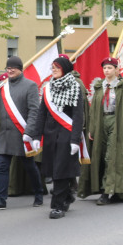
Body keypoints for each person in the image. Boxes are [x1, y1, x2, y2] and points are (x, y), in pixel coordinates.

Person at [0, 55, 44, 210]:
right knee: (2, 166)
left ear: (20, 69)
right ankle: (0, 200)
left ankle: (39, 193)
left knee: (29, 166)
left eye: (13, 68)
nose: (10, 71)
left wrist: (29, 132)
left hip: (22, 135)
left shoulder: (30, 86)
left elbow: (34, 111)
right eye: (8, 68)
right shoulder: (3, 86)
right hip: (5, 136)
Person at [26, 56, 84, 220]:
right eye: (52, 67)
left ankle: (57, 206)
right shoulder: (47, 88)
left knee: (60, 170)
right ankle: (67, 195)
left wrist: (75, 139)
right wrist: (37, 135)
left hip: (67, 134)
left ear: (64, 68)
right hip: (50, 134)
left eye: (57, 67)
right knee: (53, 169)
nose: (53, 69)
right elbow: (42, 113)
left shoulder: (75, 87)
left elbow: (78, 116)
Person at [80, 58, 123, 203]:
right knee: (100, 156)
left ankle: (107, 192)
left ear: (116, 69)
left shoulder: (122, 87)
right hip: (102, 121)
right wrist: (92, 129)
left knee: (112, 156)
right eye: (105, 68)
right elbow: (94, 110)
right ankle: (107, 188)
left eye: (109, 68)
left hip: (116, 122)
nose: (107, 71)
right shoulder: (99, 86)